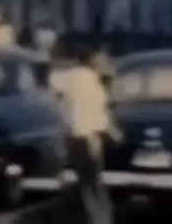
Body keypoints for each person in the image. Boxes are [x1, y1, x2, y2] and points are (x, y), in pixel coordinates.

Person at [48, 43, 120, 224]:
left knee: (88, 183)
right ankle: (99, 219)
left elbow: (54, 85)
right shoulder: (85, 79)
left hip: (78, 135)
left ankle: (97, 217)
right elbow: (95, 112)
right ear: (92, 60)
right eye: (102, 59)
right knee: (93, 183)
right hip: (87, 136)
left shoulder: (77, 77)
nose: (106, 63)